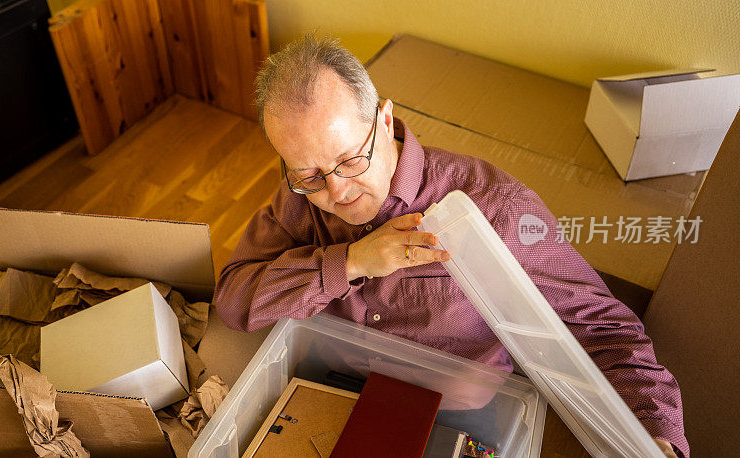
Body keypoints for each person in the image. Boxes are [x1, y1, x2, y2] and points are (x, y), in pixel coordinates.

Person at [212, 32, 687, 457]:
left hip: (463, 418)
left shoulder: (496, 208)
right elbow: (234, 298)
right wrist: (352, 261)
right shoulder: (300, 198)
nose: (336, 193)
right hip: (330, 392)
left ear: (384, 120)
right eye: (308, 174)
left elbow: (602, 327)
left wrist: (654, 437)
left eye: (350, 160)